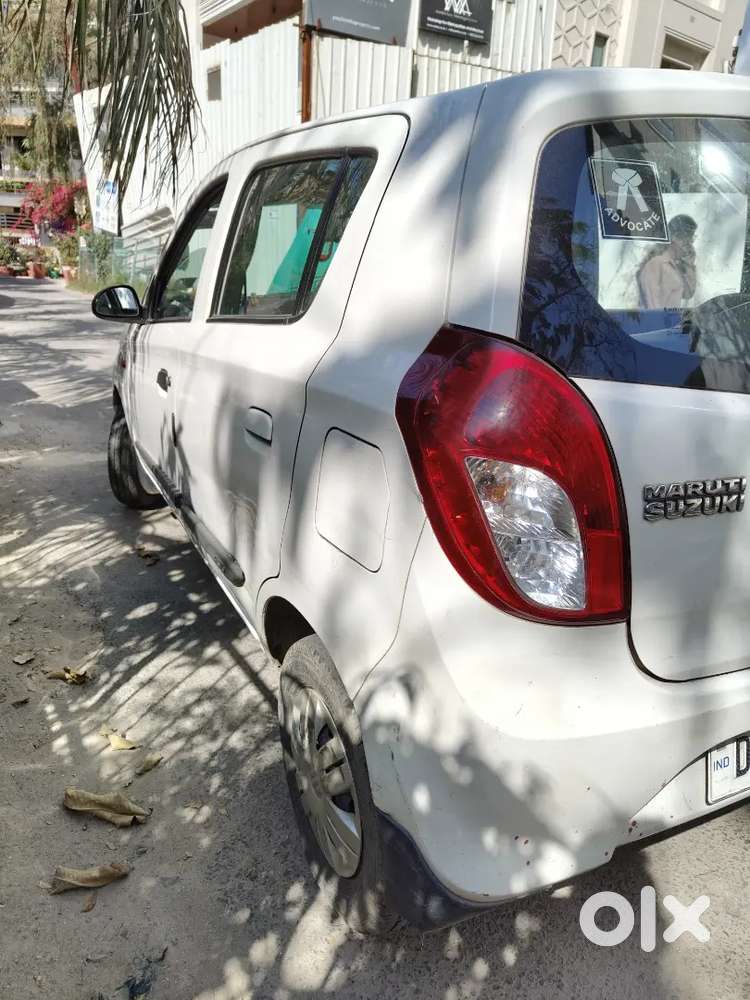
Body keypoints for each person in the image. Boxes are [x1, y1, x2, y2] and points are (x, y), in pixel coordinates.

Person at [637, 214, 698, 310]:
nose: (691, 244)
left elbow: (688, 294)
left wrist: (689, 265)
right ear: (674, 238)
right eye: (688, 239)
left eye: (692, 239)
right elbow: (651, 307)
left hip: (671, 321)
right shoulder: (656, 264)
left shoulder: (676, 267)